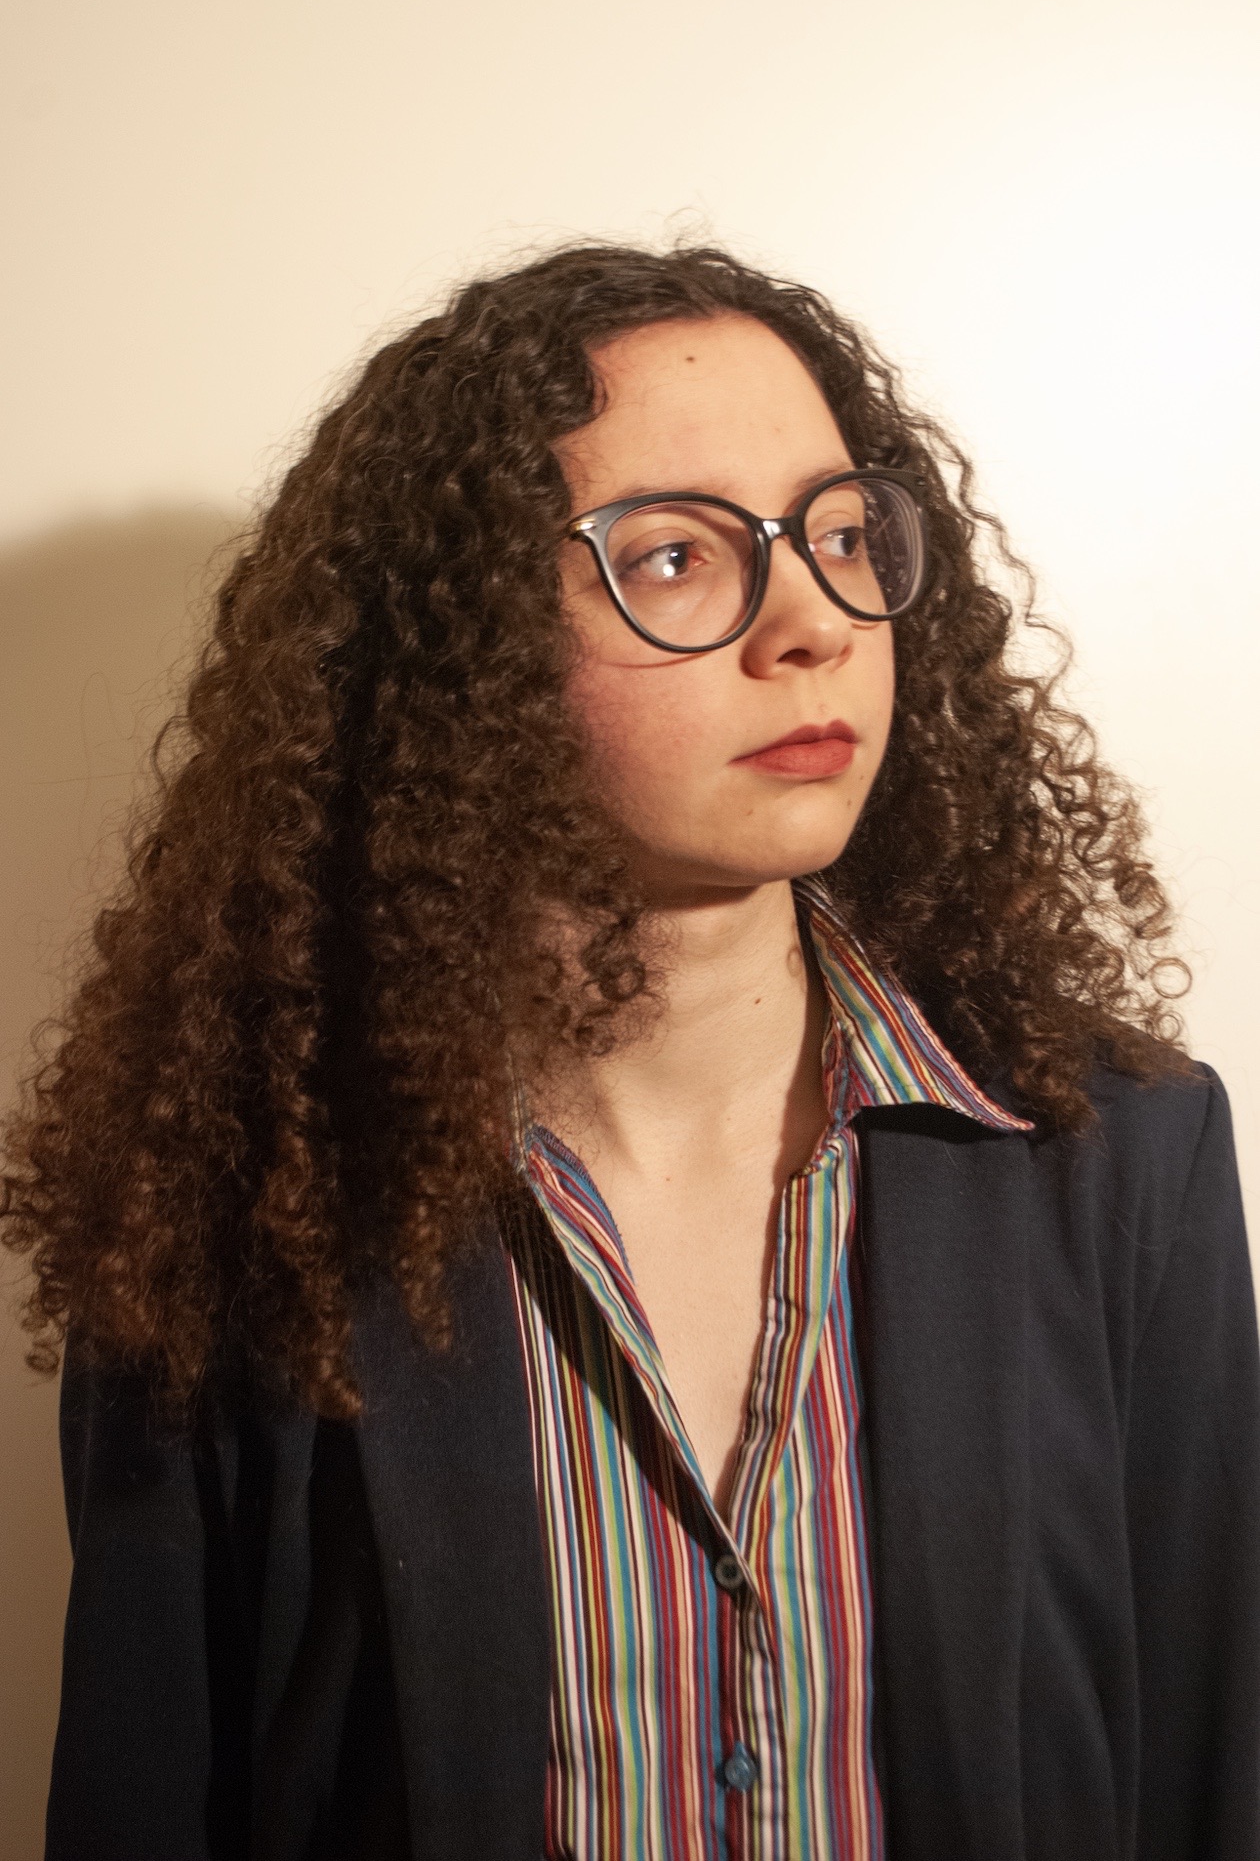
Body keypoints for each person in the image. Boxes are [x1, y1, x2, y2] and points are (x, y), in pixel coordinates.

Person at [4, 239, 1257, 1861]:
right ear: (466, 658)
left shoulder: (1122, 1154)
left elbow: (1213, 1773)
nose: (810, 621)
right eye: (673, 556)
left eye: (841, 533)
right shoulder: (247, 1200)